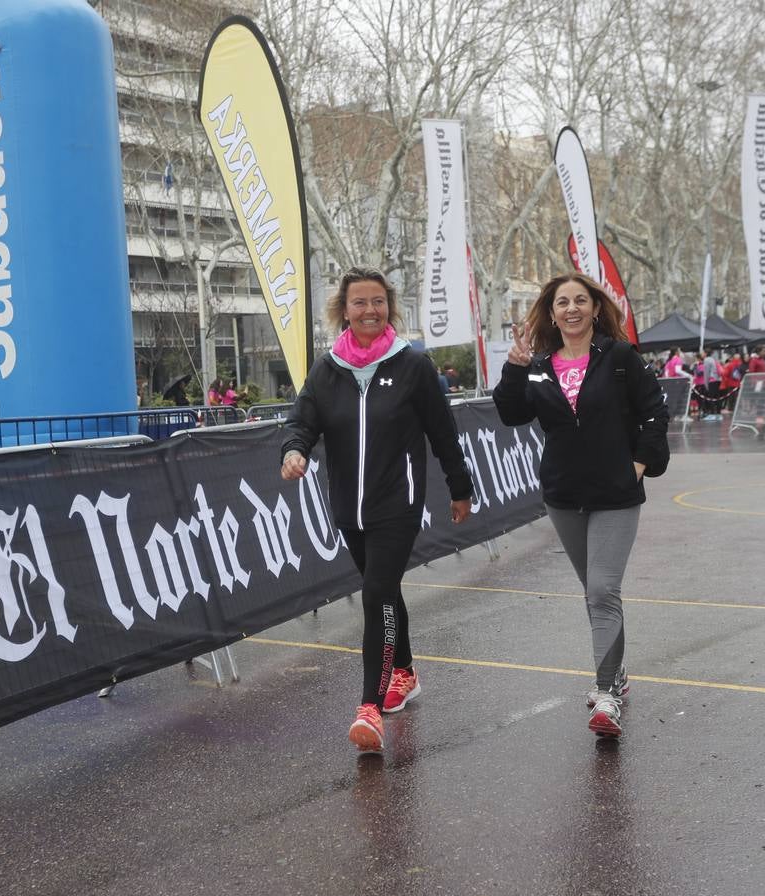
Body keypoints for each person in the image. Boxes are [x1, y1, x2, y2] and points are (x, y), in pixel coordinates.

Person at [282, 266, 474, 754]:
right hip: (349, 506)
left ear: (390, 306)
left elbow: (442, 431)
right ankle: (405, 671)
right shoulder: (327, 371)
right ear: (343, 311)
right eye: (359, 303)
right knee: (384, 592)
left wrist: (460, 485)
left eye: (378, 302)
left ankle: (369, 706)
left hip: (398, 503)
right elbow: (302, 420)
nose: (370, 311)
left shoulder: (412, 366)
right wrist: (294, 450)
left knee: (376, 595)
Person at [491, 272, 669, 738]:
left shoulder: (620, 357)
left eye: (580, 301)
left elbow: (655, 410)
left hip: (615, 494)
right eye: (562, 302)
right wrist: (513, 366)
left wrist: (640, 463)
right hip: (563, 495)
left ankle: (606, 692)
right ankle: (618, 672)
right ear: (551, 313)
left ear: (594, 308)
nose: (571, 309)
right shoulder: (539, 364)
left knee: (602, 590)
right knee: (595, 591)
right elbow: (512, 413)